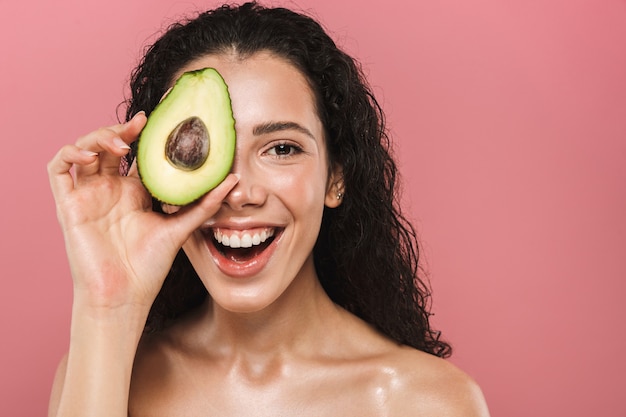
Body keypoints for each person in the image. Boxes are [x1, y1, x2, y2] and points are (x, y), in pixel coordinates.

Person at [47, 2, 490, 416]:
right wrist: (107, 303)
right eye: (197, 151)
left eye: (281, 148)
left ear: (336, 176)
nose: (240, 194)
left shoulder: (423, 402)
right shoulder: (102, 372)